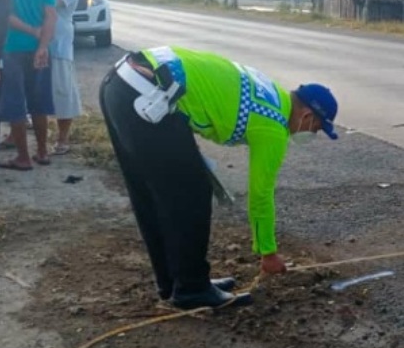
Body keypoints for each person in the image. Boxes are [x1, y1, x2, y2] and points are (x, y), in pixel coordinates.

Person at [99, 46, 340, 309]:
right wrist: (268, 253)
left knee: (151, 192)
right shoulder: (273, 126)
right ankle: (191, 289)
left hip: (122, 81)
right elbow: (261, 195)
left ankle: (174, 282)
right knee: (192, 192)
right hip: (147, 96)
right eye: (317, 128)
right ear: (307, 116)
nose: (313, 134)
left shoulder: (271, 92)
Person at [0, 0, 56, 170]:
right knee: (38, 101)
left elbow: (3, 15)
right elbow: (51, 15)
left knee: (14, 102)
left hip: (9, 47)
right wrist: (43, 46)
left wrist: (29, 30)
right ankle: (42, 152)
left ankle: (23, 157)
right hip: (38, 48)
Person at [34, 0, 80, 155]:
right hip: (30, 46)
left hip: (58, 47)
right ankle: (20, 136)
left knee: (62, 93)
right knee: (30, 93)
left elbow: (51, 4)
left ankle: (62, 138)